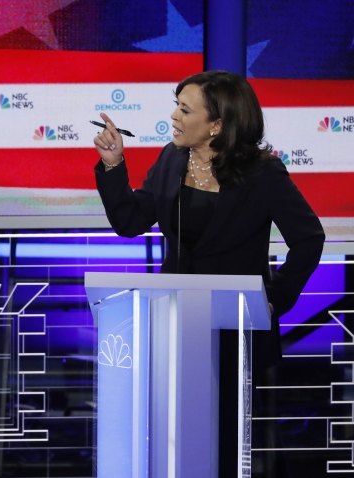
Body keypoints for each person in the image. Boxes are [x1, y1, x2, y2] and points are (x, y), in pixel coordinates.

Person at [93, 70, 324, 474]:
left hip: (237, 332)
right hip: (173, 328)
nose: (174, 116)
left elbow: (308, 240)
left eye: (185, 109)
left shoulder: (263, 173)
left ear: (217, 124)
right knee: (173, 442)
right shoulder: (171, 158)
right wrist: (114, 167)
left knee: (230, 445)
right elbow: (130, 221)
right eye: (176, 106)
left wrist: (275, 299)